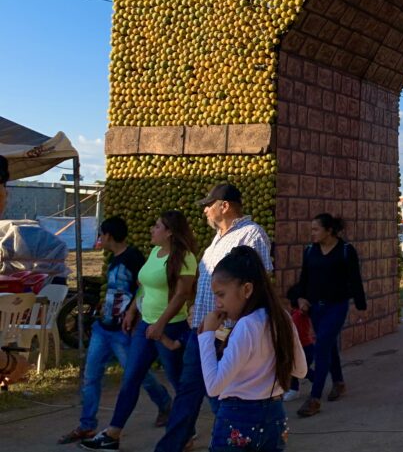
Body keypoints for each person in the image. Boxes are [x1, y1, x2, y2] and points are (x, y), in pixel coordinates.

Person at [152, 183, 273, 452]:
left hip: (228, 333)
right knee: (189, 392)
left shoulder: (251, 235)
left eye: (209, 205)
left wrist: (237, 328)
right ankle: (172, 445)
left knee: (223, 395)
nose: (205, 210)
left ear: (225, 206)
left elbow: (260, 286)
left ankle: (242, 441)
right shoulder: (218, 238)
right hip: (204, 331)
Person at [81, 212, 198, 450]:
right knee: (131, 377)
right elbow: (143, 286)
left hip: (171, 326)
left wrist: (161, 324)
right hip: (145, 325)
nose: (151, 230)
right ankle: (113, 433)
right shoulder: (155, 253)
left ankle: (186, 433)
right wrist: (133, 310)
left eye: (157, 226)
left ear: (170, 232)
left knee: (178, 382)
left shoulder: (186, 258)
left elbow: (181, 295)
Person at [58, 217, 173, 444]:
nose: (100, 238)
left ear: (108, 235)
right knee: (91, 376)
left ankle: (165, 404)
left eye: (101, 234)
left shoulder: (134, 258)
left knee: (138, 376)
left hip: (124, 330)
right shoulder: (113, 258)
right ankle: (87, 425)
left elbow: (144, 290)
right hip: (104, 327)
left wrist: (133, 315)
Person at [199, 246, 307, 452]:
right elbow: (300, 370)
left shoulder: (246, 326)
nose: (217, 303)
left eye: (221, 295)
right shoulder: (281, 317)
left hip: (239, 417)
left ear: (247, 289)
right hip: (274, 415)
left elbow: (213, 386)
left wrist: (205, 336)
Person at [287, 213, 367, 418]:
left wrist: (360, 306)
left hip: (336, 306)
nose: (312, 233)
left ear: (329, 230)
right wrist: (300, 299)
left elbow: (355, 280)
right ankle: (338, 383)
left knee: (322, 344)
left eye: (316, 229)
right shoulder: (310, 251)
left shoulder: (346, 251)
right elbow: (304, 279)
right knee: (329, 345)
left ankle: (314, 398)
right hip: (315, 307)